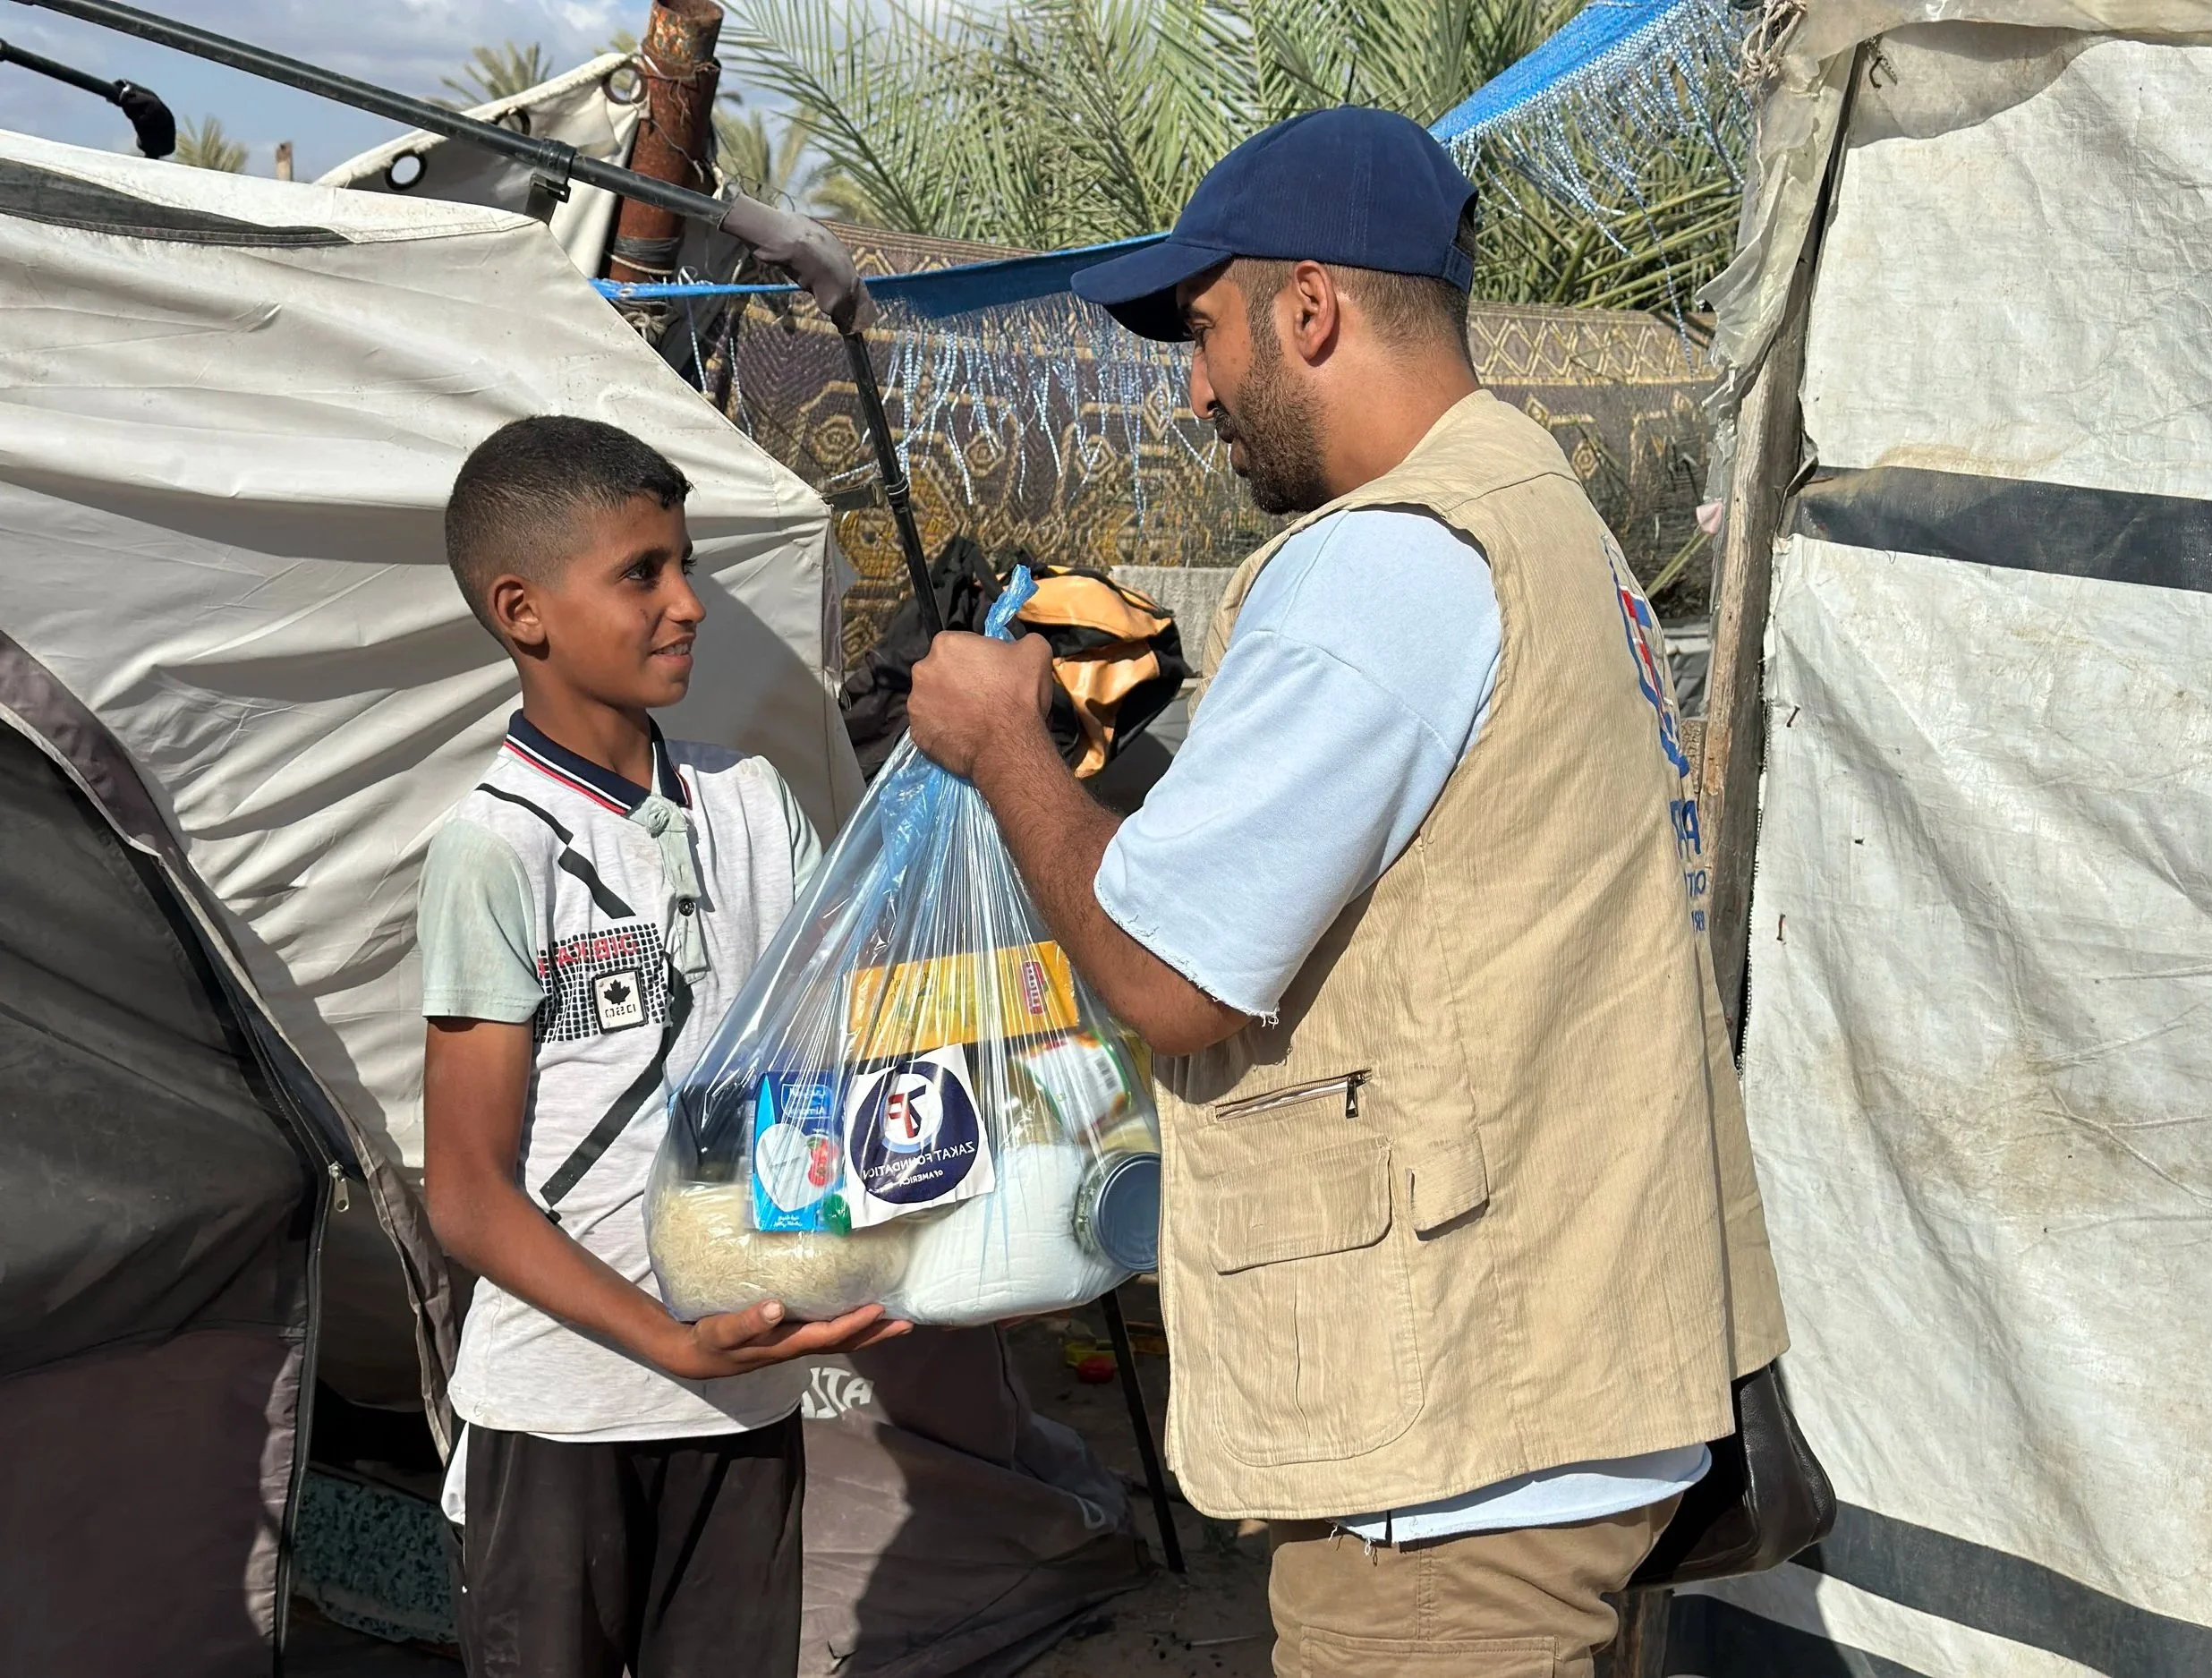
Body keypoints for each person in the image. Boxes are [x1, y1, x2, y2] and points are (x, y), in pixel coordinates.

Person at [906, 107, 1787, 1675]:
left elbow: (1170, 978)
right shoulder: (1542, 517)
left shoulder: (1381, 564)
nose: (1194, 390)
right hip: (1565, 1395)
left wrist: (1003, 752)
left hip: (1452, 1472)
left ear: (1309, 308)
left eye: (1205, 330)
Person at [419, 416, 907, 1678]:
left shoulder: (750, 803)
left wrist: (893, 1246)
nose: (687, 603)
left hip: (745, 1394)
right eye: (644, 572)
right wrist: (666, 1336)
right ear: (524, 610)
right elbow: (470, 1198)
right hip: (563, 1407)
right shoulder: (496, 848)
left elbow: (828, 1073)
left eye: (685, 564)